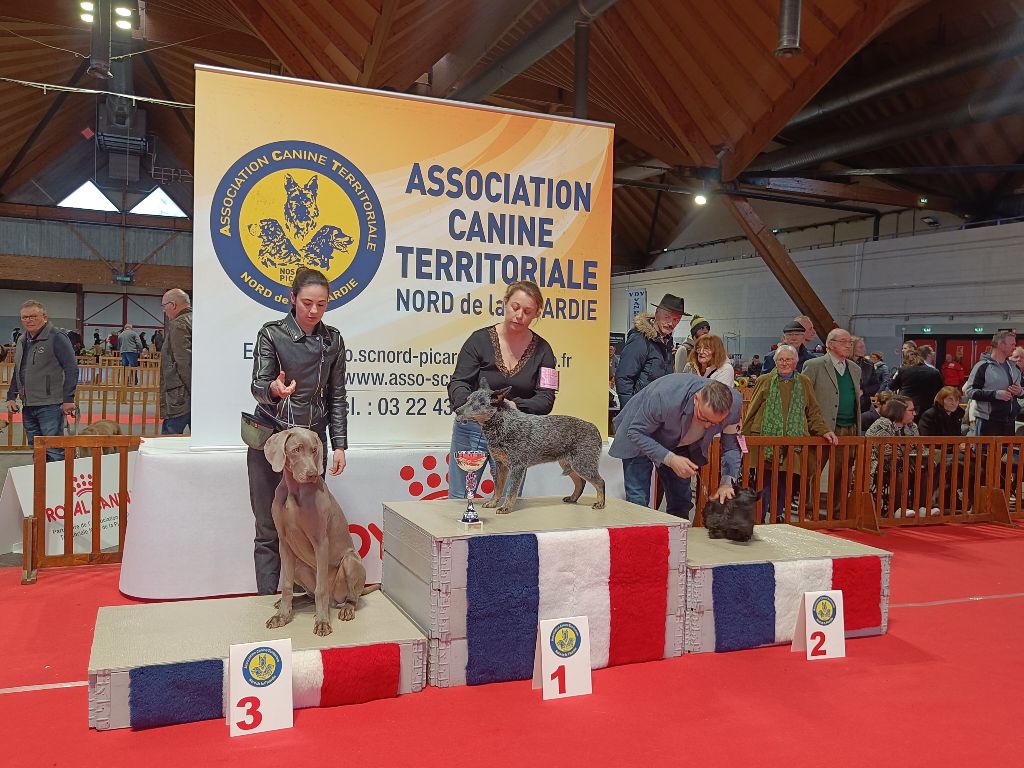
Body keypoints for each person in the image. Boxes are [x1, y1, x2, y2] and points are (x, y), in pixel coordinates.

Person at [247, 268, 348, 595]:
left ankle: (307, 598)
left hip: (310, 446)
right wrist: (273, 389)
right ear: (292, 298)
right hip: (271, 439)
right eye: (307, 303)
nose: (314, 310)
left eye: (322, 304)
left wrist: (339, 445)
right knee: (268, 526)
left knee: (311, 528)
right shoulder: (271, 333)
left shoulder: (333, 340)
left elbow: (337, 396)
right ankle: (266, 598)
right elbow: (258, 385)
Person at [447, 280, 556, 499]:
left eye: (528, 311)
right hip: (472, 429)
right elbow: (458, 383)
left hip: (515, 433)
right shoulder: (478, 340)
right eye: (515, 307)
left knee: (508, 501)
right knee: (460, 500)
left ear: (536, 314)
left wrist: (514, 405)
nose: (519, 315)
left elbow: (546, 399)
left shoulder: (544, 350)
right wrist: (474, 410)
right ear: (505, 303)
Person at [609, 375, 741, 518]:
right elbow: (636, 432)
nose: (708, 425)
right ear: (696, 399)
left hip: (679, 442)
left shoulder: (734, 405)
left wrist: (727, 482)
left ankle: (678, 532)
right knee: (638, 502)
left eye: (715, 423)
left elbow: (731, 447)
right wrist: (670, 459)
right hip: (639, 435)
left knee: (681, 502)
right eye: (703, 418)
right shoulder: (664, 396)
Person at [742, 345, 837, 522]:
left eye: (788, 359)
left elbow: (813, 412)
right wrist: (743, 440)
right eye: (781, 359)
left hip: (793, 442)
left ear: (795, 362)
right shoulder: (764, 380)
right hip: (765, 441)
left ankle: (778, 516)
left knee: (785, 482)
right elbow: (752, 410)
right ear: (775, 362)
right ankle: (759, 518)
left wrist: (825, 430)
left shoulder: (804, 382)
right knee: (764, 480)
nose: (784, 363)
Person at [5, 301, 79, 462]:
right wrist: (11, 396)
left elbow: (71, 368)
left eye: (33, 316)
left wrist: (68, 399)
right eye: (25, 317)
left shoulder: (57, 337)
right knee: (37, 449)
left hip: (51, 405)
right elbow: (19, 369)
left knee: (54, 450)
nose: (28, 320)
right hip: (28, 404)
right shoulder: (22, 340)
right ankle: (41, 478)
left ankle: (56, 478)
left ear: (44, 317)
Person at [803, 328, 862, 518]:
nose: (848, 345)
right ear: (830, 344)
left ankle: (837, 512)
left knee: (843, 472)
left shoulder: (855, 368)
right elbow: (805, 398)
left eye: (850, 342)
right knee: (813, 471)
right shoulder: (814, 365)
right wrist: (812, 425)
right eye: (843, 341)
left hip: (849, 427)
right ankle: (809, 511)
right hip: (821, 428)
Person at [615, 294, 686, 408]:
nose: (671, 323)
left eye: (676, 319)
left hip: (657, 411)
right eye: (667, 317)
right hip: (640, 411)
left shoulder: (667, 342)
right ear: (657, 313)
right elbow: (623, 378)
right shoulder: (640, 339)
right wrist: (630, 411)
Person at [865, 396, 931, 517]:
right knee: (900, 469)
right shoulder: (883, 424)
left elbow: (919, 449)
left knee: (923, 469)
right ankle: (897, 509)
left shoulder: (912, 426)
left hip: (905, 463)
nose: (914, 413)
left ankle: (921, 507)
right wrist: (906, 454)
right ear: (899, 410)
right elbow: (886, 453)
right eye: (911, 410)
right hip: (878, 465)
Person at [965, 330, 1023, 436]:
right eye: (1012, 344)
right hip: (987, 421)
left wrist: (1020, 391)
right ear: (1001, 344)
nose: (1014, 347)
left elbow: (1022, 391)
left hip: (1009, 422)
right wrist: (995, 394)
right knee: (984, 448)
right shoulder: (982, 366)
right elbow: (969, 392)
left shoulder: (1014, 368)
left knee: (1006, 448)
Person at [159, 289, 193, 435]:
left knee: (169, 440)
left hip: (180, 396)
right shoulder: (197, 319)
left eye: (164, 305)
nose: (163, 310)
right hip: (192, 394)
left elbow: (184, 362)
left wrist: (194, 390)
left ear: (173, 304)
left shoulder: (179, 324)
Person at [891, 349, 945, 424]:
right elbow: (941, 390)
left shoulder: (902, 370)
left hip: (908, 406)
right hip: (929, 406)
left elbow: (892, 386)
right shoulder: (934, 371)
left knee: (908, 427)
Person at [851, 337, 880, 413]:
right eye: (860, 347)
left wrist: (863, 391)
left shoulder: (868, 364)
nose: (864, 349)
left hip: (863, 405)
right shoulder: (843, 363)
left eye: (864, 346)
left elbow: (876, 385)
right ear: (852, 348)